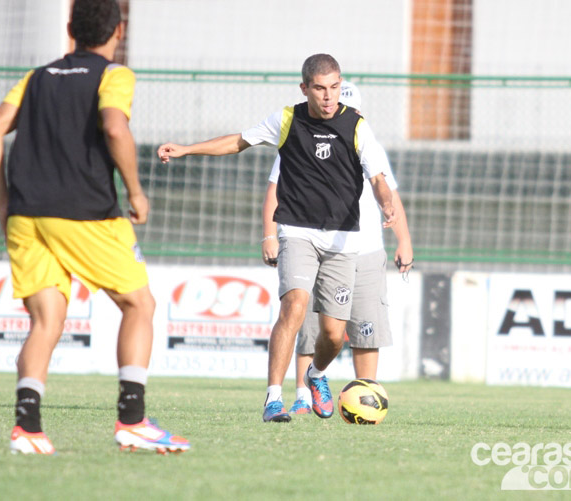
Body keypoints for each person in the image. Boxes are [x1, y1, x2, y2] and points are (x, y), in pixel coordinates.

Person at [0, 0, 189, 454]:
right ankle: (132, 419)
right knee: (140, 305)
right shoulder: (113, 74)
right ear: (119, 30)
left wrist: (2, 200)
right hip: (86, 213)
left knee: (46, 320)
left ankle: (27, 428)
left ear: (71, 31)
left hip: (26, 215)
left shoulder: (36, 78)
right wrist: (135, 191)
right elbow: (115, 125)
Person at [157, 54, 396, 423]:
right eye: (320, 88)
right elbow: (237, 142)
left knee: (333, 335)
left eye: (334, 87)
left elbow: (379, 178)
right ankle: (273, 399)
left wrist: (386, 203)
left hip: (342, 243)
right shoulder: (287, 120)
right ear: (305, 89)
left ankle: (316, 374)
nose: (329, 96)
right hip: (297, 232)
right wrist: (188, 148)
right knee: (295, 306)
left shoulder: (357, 126)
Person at [261, 81, 413, 415]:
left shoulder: (364, 137)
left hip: (365, 250)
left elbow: (387, 191)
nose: (335, 106)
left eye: (346, 104)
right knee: (302, 318)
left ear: (358, 110)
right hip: (313, 241)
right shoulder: (301, 140)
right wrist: (269, 235)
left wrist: (404, 238)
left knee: (359, 330)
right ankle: (297, 395)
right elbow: (274, 187)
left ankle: (364, 396)